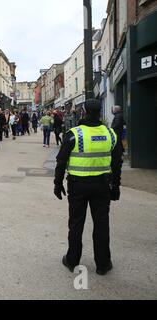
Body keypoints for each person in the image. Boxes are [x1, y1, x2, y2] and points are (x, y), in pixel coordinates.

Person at [54, 99, 122, 276]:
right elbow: (117, 163)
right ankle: (103, 264)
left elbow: (61, 161)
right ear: (100, 112)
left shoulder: (73, 134)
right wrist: (116, 186)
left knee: (76, 224)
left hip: (78, 186)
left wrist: (57, 183)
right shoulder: (110, 134)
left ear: (83, 112)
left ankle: (72, 260)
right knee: (102, 224)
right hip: (102, 185)